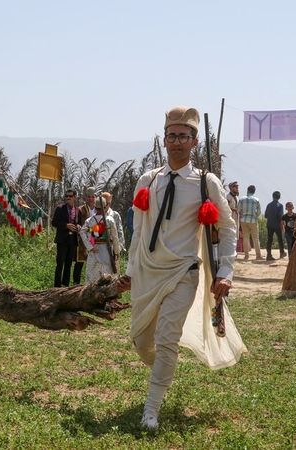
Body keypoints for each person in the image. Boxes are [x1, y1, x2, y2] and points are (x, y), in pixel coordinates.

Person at [117, 105, 246, 431]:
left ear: (194, 142)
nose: (177, 141)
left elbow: (228, 228)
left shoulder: (206, 183)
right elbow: (139, 229)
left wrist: (225, 271)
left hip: (185, 270)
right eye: (172, 136)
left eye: (183, 136)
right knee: (142, 339)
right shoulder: (148, 180)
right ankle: (161, 364)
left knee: (167, 337)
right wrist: (131, 271)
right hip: (148, 271)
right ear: (164, 139)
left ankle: (151, 410)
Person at [79, 196, 121, 282]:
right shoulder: (110, 220)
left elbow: (82, 232)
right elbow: (115, 237)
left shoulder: (89, 221)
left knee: (92, 279)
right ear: (105, 207)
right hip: (107, 252)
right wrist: (117, 252)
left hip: (94, 250)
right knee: (108, 278)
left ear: (95, 207)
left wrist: (90, 247)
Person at [51, 189, 79, 287]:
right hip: (62, 240)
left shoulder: (77, 209)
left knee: (68, 264)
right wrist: (65, 225)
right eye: (66, 196)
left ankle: (65, 286)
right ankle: (57, 286)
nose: (68, 198)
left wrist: (78, 226)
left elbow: (77, 222)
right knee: (60, 264)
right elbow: (54, 223)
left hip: (72, 241)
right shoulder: (60, 208)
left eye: (70, 196)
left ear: (74, 197)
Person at [73, 187, 96, 284]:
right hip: (83, 240)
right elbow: (77, 222)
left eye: (93, 197)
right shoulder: (80, 209)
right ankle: (76, 284)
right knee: (79, 263)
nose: (91, 199)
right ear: (86, 197)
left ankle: (93, 284)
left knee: (95, 264)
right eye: (89, 197)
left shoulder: (98, 208)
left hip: (95, 239)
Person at [238, 185, 263, 260]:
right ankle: (258, 256)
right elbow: (259, 212)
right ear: (254, 191)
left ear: (247, 190)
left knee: (245, 238)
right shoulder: (256, 200)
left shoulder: (241, 199)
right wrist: (255, 215)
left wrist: (242, 215)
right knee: (255, 238)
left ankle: (246, 255)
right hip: (253, 220)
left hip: (244, 220)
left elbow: (238, 209)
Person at [264, 191, 285, 260]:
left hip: (269, 224)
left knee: (269, 239)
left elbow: (266, 215)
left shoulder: (269, 205)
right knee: (280, 239)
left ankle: (268, 255)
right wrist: (281, 224)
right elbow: (280, 216)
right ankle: (282, 253)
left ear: (272, 196)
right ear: (279, 197)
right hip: (277, 225)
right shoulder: (280, 205)